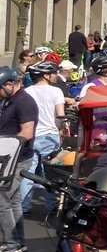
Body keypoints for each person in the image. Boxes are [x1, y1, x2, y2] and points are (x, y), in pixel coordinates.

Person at [0, 65, 37, 252]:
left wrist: (8, 149)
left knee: (1, 200)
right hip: (9, 157)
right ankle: (18, 242)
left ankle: (12, 243)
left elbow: (27, 132)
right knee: (13, 201)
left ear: (8, 84)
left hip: (17, 158)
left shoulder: (24, 102)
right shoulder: (9, 100)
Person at [21, 60, 67, 213]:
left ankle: (24, 206)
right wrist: (62, 130)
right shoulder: (56, 91)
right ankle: (51, 204)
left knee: (28, 172)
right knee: (49, 173)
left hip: (31, 135)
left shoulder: (27, 92)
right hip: (49, 135)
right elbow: (60, 116)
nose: (56, 76)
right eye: (54, 73)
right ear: (46, 76)